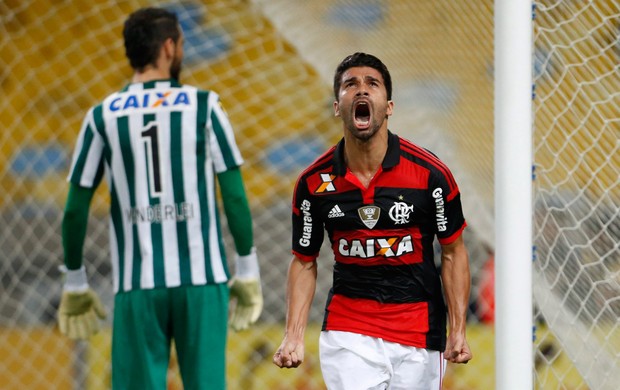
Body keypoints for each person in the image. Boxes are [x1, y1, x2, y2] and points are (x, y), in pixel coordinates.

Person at [57, 7, 262, 390]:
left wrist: (74, 280)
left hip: (138, 283)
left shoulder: (101, 116)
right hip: (202, 281)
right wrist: (247, 269)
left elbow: (74, 209)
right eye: (182, 44)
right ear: (169, 47)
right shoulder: (204, 106)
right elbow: (233, 195)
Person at [273, 52, 472, 389]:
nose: (361, 91)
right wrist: (292, 336)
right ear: (338, 106)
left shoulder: (430, 175)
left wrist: (459, 329)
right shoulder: (313, 183)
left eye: (372, 84)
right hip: (348, 331)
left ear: (389, 106)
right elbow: (304, 262)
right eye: (351, 84)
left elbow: (453, 252)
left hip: (419, 331)